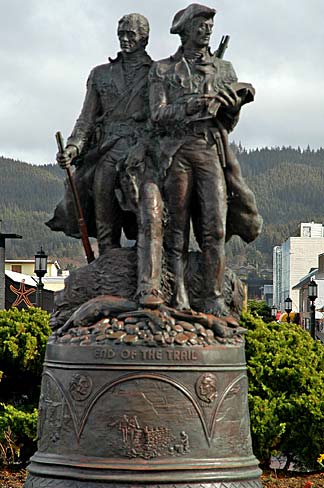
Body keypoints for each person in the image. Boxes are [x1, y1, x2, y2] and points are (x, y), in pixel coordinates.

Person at [149, 4, 262, 315]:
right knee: (178, 227)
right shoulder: (163, 70)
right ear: (185, 29)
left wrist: (232, 106)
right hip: (177, 152)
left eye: (210, 24)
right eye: (201, 23)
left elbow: (228, 124)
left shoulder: (224, 69)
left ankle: (212, 297)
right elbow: (156, 115)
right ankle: (178, 295)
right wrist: (190, 105)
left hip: (210, 148)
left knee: (215, 228)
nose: (207, 29)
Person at [47, 13, 164, 306]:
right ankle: (105, 267)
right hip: (108, 148)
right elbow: (85, 120)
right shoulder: (100, 74)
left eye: (131, 35)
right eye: (121, 33)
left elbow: (162, 121)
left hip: (142, 150)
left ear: (145, 39)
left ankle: (146, 272)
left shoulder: (158, 73)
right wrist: (73, 149)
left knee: (145, 208)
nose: (125, 39)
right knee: (101, 198)